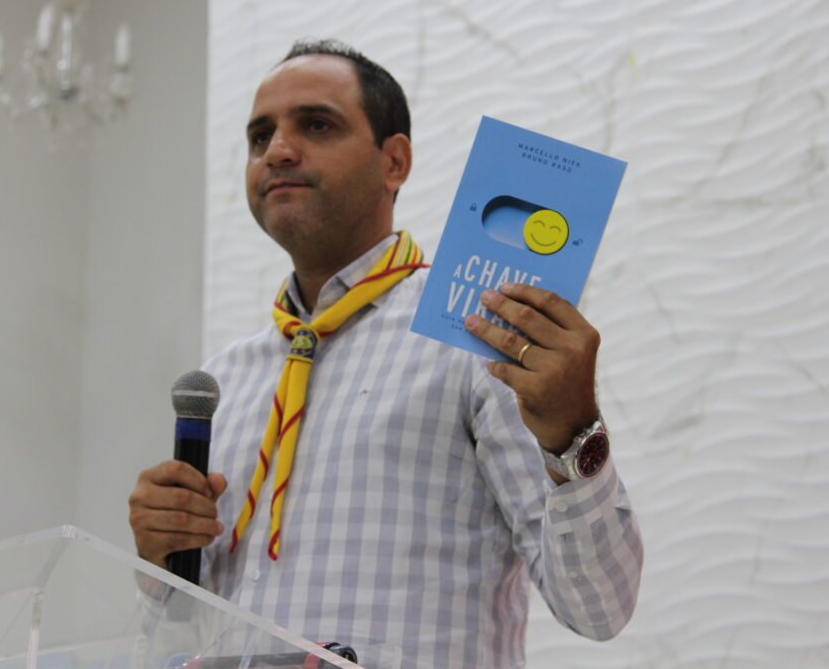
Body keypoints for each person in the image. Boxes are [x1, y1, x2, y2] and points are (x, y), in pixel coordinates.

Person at [129, 39, 642, 668]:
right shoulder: (225, 379)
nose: (278, 150)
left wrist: (573, 434)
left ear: (394, 161)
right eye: (260, 137)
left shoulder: (475, 337)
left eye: (317, 125)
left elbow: (599, 607)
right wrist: (159, 565)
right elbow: (181, 638)